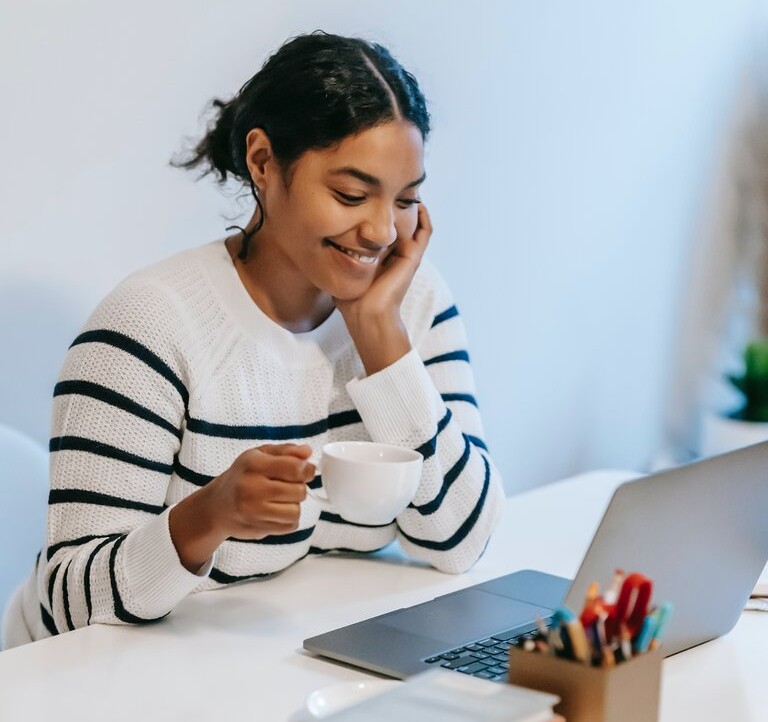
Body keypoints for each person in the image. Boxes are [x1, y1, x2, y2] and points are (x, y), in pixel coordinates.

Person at [2, 31, 505, 648]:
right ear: (263, 162)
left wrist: (382, 341)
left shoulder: (412, 304)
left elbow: (463, 542)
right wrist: (206, 518)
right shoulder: (148, 327)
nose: (380, 231)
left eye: (406, 200)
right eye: (351, 194)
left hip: (273, 660)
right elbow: (68, 604)